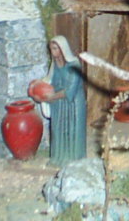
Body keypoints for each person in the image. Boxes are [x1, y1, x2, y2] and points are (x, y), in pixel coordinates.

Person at [41, 35, 86, 165]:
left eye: (55, 48)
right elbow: (49, 80)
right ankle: (59, 158)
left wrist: (52, 97)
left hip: (73, 104)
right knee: (58, 130)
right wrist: (41, 88)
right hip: (59, 105)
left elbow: (70, 91)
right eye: (51, 49)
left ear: (62, 49)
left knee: (73, 130)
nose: (53, 52)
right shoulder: (55, 65)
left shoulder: (74, 65)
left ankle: (74, 159)